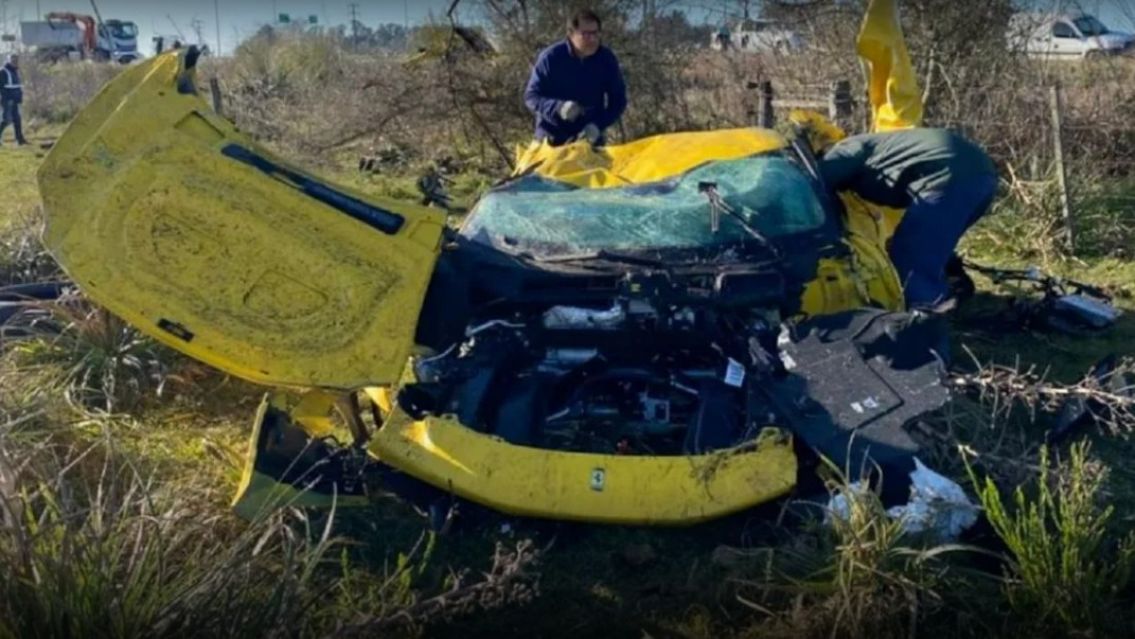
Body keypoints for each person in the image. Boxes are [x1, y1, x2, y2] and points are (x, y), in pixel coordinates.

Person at [819, 128, 997, 310]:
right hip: (983, 176)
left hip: (948, 176)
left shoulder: (844, 149)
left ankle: (926, 313)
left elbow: (818, 184)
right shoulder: (878, 145)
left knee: (909, 257)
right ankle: (949, 292)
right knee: (931, 246)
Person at [523, 9, 627, 147]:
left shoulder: (606, 59)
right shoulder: (551, 58)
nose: (592, 39)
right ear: (570, 34)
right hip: (550, 140)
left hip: (589, 140)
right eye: (586, 34)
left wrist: (598, 125)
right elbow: (531, 96)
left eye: (596, 33)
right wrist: (558, 107)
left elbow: (618, 101)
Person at [0, 54, 27, 147]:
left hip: (15, 100)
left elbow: (16, 87)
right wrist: (7, 99)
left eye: (16, 60)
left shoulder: (15, 71)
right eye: (13, 60)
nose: (15, 62)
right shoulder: (3, 71)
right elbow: (2, 88)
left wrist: (19, 98)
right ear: (9, 61)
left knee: (17, 120)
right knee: (7, 120)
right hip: (7, 100)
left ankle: (20, 140)